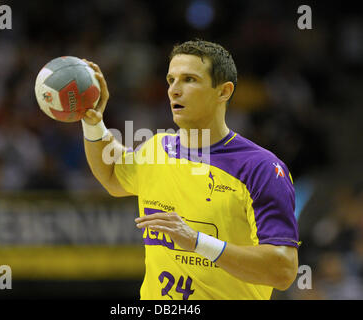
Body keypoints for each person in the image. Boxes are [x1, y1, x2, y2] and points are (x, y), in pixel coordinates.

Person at [81, 39, 300, 300]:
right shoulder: (157, 149)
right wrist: (93, 124)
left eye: (189, 79)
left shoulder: (261, 168)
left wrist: (197, 241)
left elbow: (283, 270)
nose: (174, 90)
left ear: (223, 91)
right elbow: (112, 176)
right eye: (171, 80)